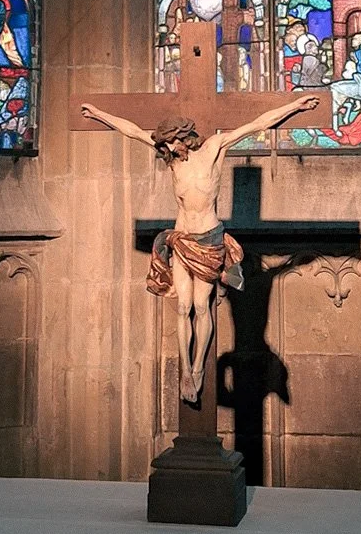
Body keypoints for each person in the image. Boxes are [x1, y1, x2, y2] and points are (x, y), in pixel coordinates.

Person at [80, 94, 313, 402]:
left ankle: (200, 366)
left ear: (184, 137)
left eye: (171, 144)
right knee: (181, 306)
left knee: (202, 307)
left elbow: (258, 124)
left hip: (208, 242)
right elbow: (133, 131)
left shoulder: (214, 148)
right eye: (164, 146)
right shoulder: (171, 158)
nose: (167, 150)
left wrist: (294, 106)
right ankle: (185, 370)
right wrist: (99, 114)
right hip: (180, 239)